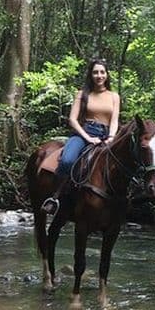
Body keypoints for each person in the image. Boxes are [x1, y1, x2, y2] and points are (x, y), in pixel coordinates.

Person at [41, 58, 120, 214]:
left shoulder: (114, 96)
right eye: (95, 72)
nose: (99, 75)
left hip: (106, 136)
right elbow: (72, 119)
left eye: (102, 72)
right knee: (67, 160)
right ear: (91, 75)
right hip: (83, 133)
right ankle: (55, 197)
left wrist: (111, 137)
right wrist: (88, 138)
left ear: (107, 75)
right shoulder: (82, 94)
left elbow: (114, 120)